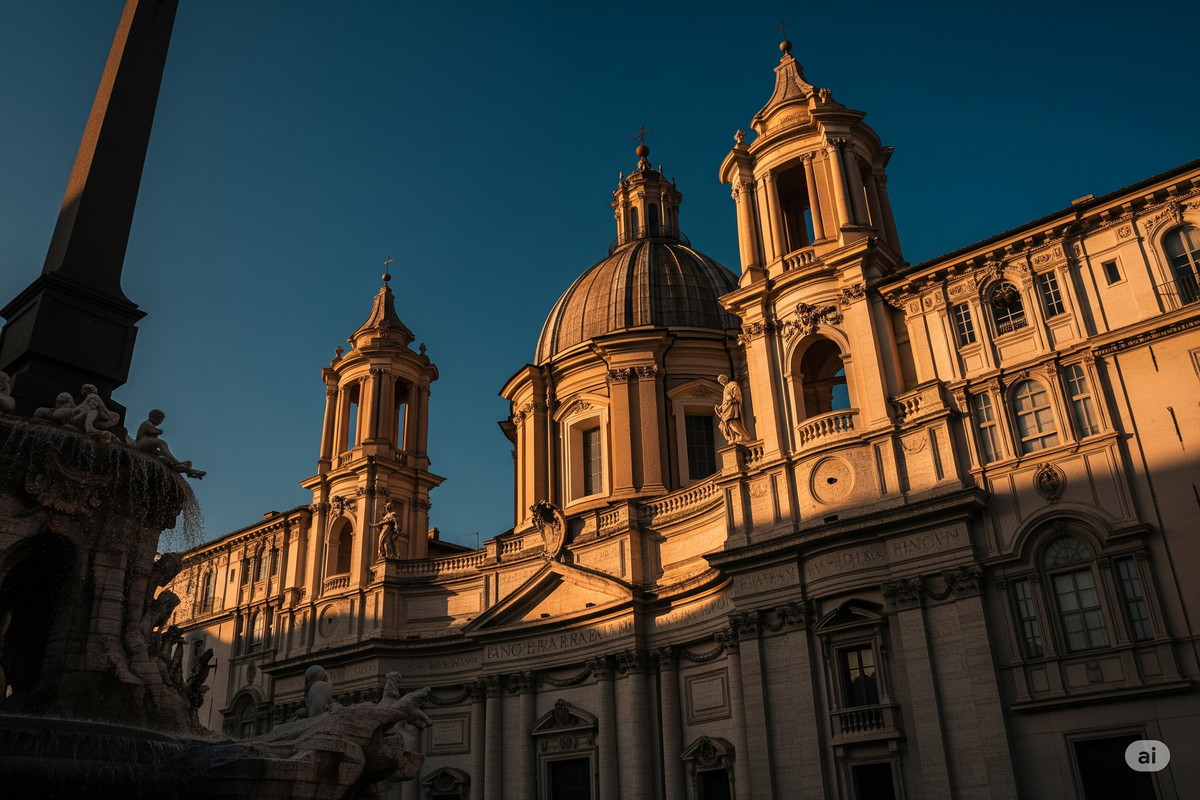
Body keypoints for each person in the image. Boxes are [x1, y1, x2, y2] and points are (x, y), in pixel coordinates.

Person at [714, 374, 753, 444]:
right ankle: (734, 438)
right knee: (725, 424)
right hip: (727, 407)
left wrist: (733, 399)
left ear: (726, 379)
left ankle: (745, 436)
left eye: (722, 379)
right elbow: (724, 401)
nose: (721, 381)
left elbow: (736, 395)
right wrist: (720, 408)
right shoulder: (725, 388)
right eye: (720, 381)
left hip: (732, 406)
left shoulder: (732, 384)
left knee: (732, 422)